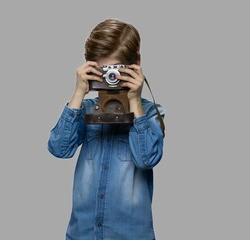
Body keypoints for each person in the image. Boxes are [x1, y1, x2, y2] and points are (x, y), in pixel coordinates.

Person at [48, 18, 165, 240]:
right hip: (82, 233)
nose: (111, 79)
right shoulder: (85, 108)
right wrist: (78, 93)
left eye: (116, 71)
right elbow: (59, 149)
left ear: (136, 64)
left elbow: (147, 159)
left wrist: (135, 103)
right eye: (105, 72)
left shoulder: (149, 113)